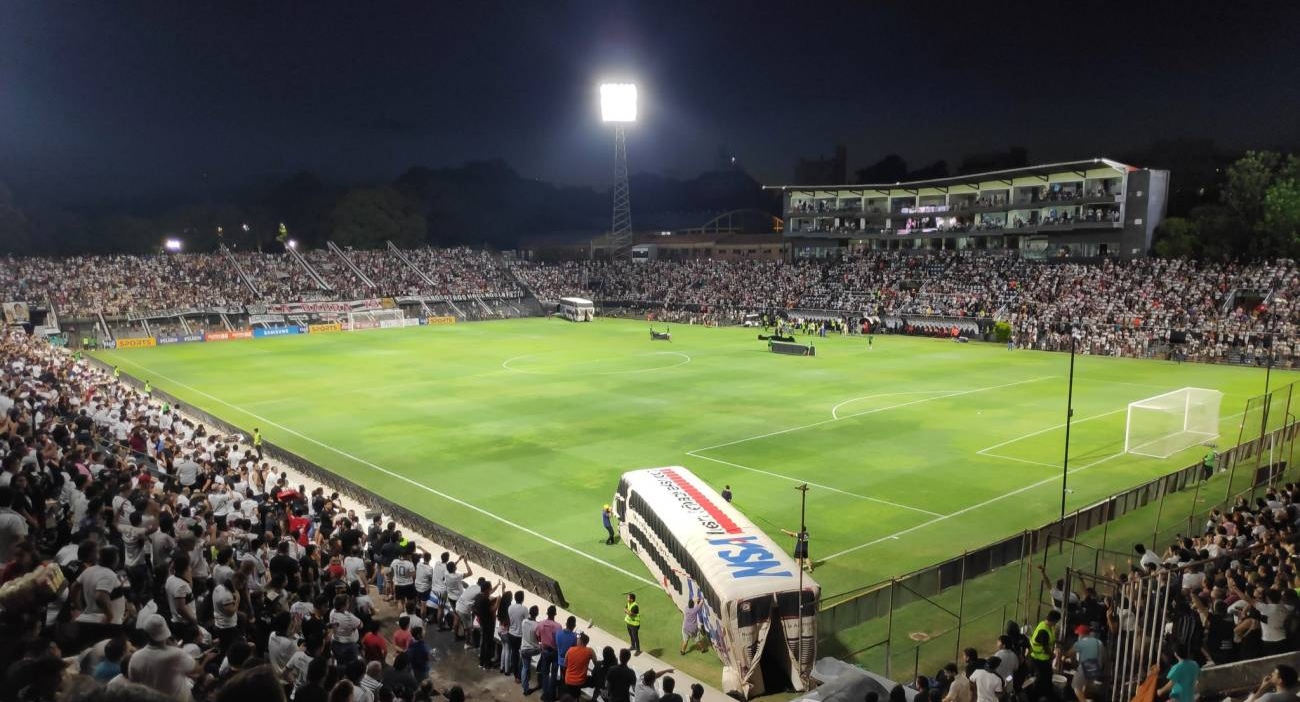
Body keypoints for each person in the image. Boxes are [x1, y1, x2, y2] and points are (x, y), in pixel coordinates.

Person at [1028, 610, 1060, 702]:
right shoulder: (1043, 631)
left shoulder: (1046, 625)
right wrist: (1053, 656)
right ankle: (1035, 698)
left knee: (1047, 678)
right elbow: (1045, 647)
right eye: (1056, 621)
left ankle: (1047, 694)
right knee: (1041, 680)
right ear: (1054, 620)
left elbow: (1050, 641)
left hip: (1043, 659)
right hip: (1039, 660)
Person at [1067, 624, 1104, 699]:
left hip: (1087, 665)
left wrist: (1064, 656)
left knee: (1076, 687)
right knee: (1085, 686)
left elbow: (1070, 653)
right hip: (1097, 667)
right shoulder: (1099, 642)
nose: (1078, 636)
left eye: (1078, 634)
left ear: (1082, 634)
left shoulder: (1082, 642)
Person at [564, 632, 596, 697]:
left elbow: (565, 663)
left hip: (568, 680)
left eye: (578, 639)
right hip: (580, 682)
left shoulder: (570, 649)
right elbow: (596, 663)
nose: (577, 640)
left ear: (581, 641)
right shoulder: (590, 651)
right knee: (593, 680)